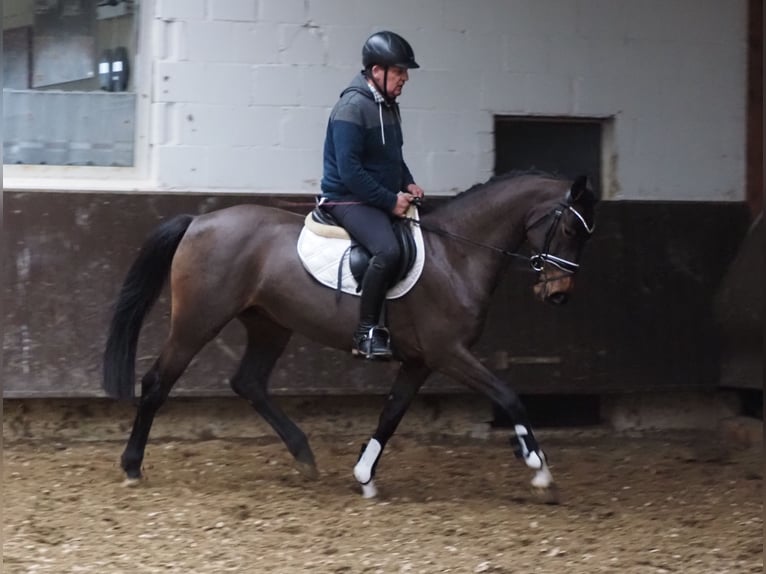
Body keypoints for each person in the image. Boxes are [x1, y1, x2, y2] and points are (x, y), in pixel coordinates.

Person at [320, 30, 424, 360]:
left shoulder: (389, 106)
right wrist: (390, 201)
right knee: (388, 250)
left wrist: (407, 183)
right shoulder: (351, 108)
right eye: (399, 71)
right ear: (376, 71)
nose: (405, 78)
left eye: (405, 72)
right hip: (346, 199)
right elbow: (350, 172)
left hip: (376, 195)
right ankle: (365, 332)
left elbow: (393, 157)